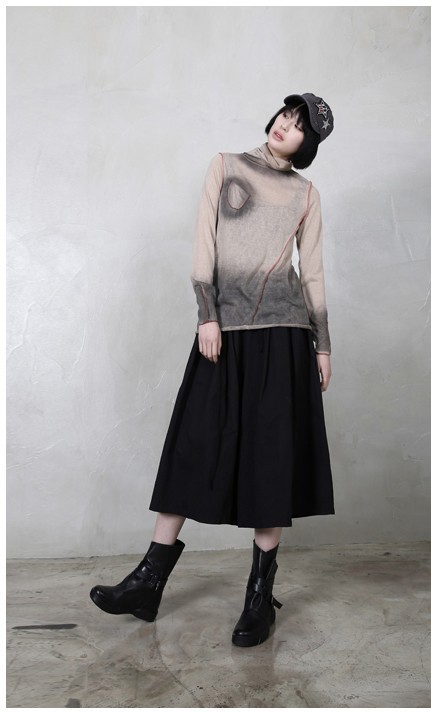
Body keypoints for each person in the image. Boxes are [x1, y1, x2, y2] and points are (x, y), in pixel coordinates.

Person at [90, 92, 336, 647]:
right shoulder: (225, 166)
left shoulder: (306, 194)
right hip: (224, 329)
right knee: (193, 444)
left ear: (309, 145)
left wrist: (322, 345)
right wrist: (207, 315)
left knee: (270, 460)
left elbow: (313, 273)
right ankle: (148, 583)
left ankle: (259, 599)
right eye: (286, 114)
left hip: (284, 334)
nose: (285, 125)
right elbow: (205, 243)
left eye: (299, 126)